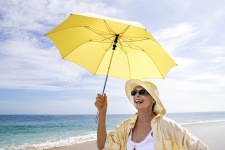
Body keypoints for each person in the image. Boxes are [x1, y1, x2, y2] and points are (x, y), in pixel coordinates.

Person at [94, 79, 209, 150]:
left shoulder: (167, 125)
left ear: (153, 99)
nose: (137, 95)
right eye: (134, 93)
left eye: (142, 92)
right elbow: (103, 146)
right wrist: (103, 112)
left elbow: (200, 148)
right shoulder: (126, 127)